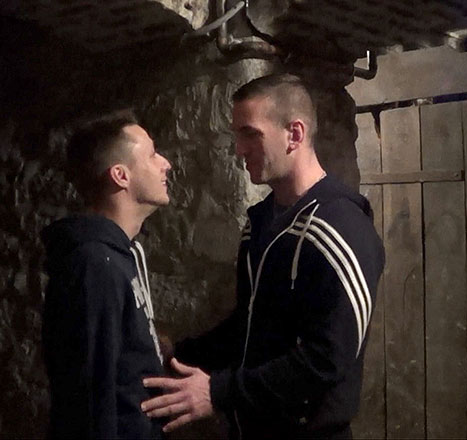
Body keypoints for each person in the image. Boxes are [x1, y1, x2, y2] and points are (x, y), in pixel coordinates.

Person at [141, 74, 385, 439]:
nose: (238, 150)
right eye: (237, 135)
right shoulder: (261, 223)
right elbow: (251, 324)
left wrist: (219, 392)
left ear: (294, 134)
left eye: (250, 134)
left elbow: (326, 360)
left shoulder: (340, 227)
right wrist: (180, 354)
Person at [41, 110, 172, 439]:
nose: (166, 163)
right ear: (120, 176)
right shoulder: (95, 264)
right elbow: (87, 395)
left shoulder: (120, 254)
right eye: (152, 154)